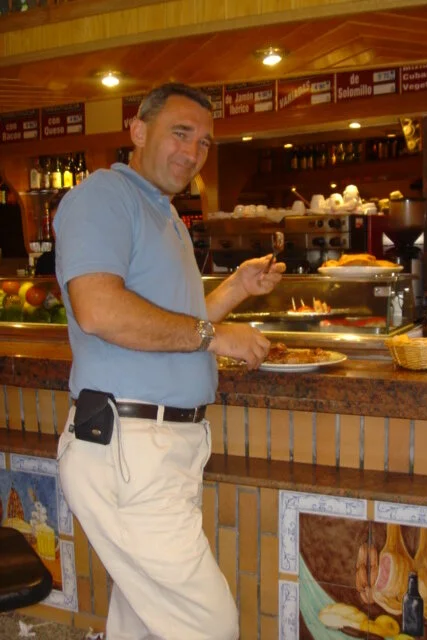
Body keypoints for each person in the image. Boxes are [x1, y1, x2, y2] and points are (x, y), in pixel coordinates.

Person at [54, 82, 285, 640]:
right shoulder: (103, 196)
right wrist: (215, 336)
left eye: (204, 142)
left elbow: (173, 323)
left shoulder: (164, 214)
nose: (193, 151)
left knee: (142, 621)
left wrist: (235, 289)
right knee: (209, 625)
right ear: (138, 131)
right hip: (128, 447)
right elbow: (100, 311)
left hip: (160, 449)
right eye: (181, 133)